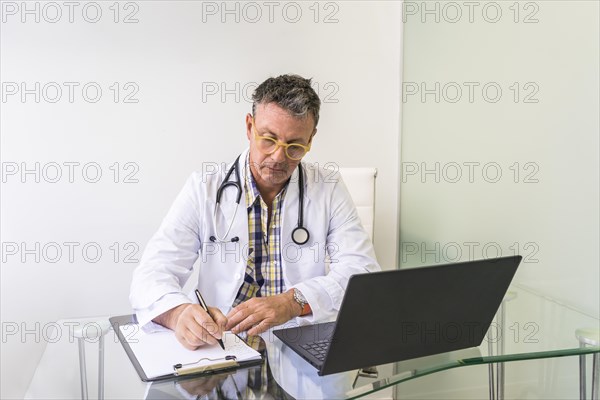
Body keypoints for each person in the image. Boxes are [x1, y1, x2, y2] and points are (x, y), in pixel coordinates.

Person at [130, 74, 380, 350]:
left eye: (295, 146)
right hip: (223, 345)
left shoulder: (328, 189)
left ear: (311, 140)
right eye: (268, 139)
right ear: (250, 127)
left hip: (298, 345)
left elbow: (362, 273)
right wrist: (178, 314)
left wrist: (293, 301)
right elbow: (151, 273)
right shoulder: (205, 188)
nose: (278, 157)